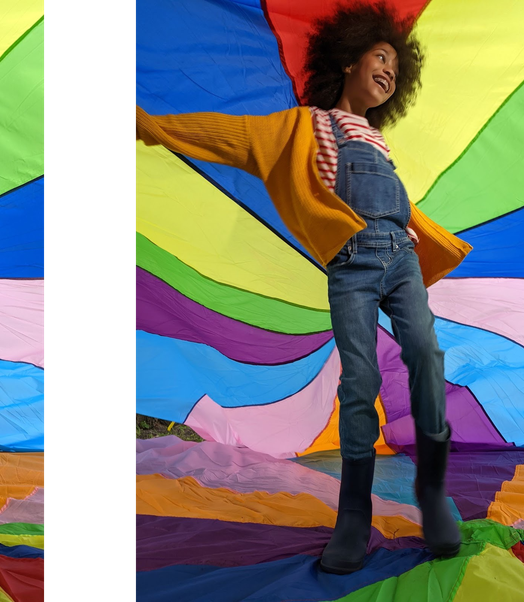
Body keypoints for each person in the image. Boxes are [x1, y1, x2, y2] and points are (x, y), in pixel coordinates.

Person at [134, 0, 470, 574]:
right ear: (348, 61)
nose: (388, 71)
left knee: (426, 357)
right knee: (359, 378)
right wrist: (156, 127)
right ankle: (353, 518)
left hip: (401, 259)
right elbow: (230, 135)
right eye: (379, 57)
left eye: (395, 66)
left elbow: (397, 205)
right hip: (352, 263)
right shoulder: (300, 127)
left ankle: (433, 494)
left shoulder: (377, 138)